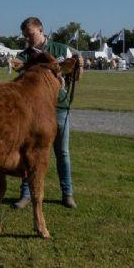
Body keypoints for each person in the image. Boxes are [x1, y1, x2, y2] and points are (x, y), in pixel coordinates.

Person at [12, 17, 83, 210]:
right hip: (33, 112)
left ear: (41, 30)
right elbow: (17, 78)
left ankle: (67, 194)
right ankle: (26, 195)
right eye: (25, 36)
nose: (27, 38)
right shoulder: (24, 55)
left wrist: (80, 66)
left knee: (63, 153)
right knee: (29, 153)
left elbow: (75, 76)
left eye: (30, 34)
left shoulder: (61, 49)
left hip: (59, 108)